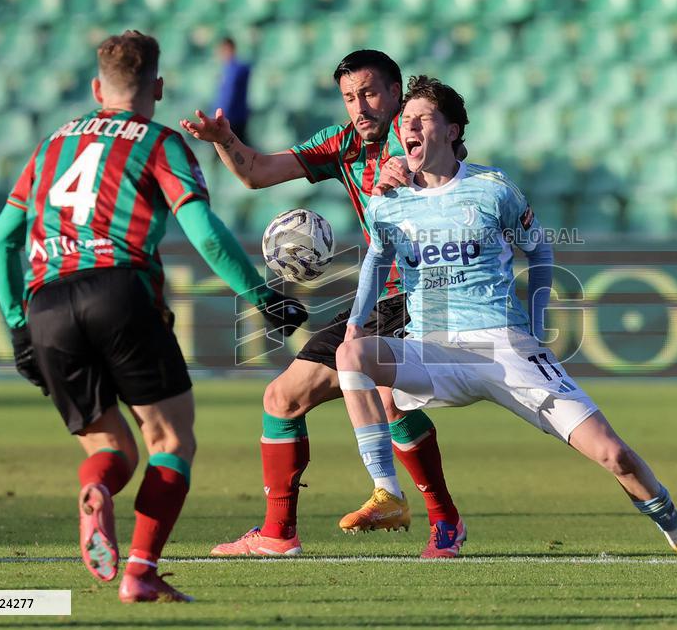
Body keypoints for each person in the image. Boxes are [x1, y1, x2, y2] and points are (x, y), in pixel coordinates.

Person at [334, 75, 677, 562]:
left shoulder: (492, 189)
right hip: (432, 347)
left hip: (503, 345)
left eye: (422, 119)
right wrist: (356, 323)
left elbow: (539, 251)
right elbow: (377, 260)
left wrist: (538, 324)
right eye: (406, 121)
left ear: (452, 130)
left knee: (614, 454)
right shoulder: (388, 201)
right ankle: (388, 493)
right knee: (352, 355)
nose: (409, 128)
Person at [0, 30, 308, 603]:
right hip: (119, 289)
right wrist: (264, 297)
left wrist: (18, 326)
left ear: (96, 89)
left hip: (46, 303)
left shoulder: (50, 146)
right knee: (170, 440)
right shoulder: (159, 143)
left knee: (111, 449)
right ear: (157, 87)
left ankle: (97, 491)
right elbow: (206, 234)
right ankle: (139, 571)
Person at [180, 50, 464, 558]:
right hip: (380, 299)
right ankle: (278, 534)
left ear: (396, 92)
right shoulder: (343, 143)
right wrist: (225, 140)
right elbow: (257, 173)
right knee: (282, 399)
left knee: (390, 397)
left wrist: (406, 167)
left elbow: (442, 168)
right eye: (350, 97)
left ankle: (441, 521)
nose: (360, 107)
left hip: (430, 292)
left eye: (370, 93)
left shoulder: (420, 133)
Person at [214, 37, 251, 144]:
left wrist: (219, 117)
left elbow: (230, 95)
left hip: (233, 119)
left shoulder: (237, 69)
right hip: (229, 117)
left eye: (224, 50)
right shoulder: (226, 68)